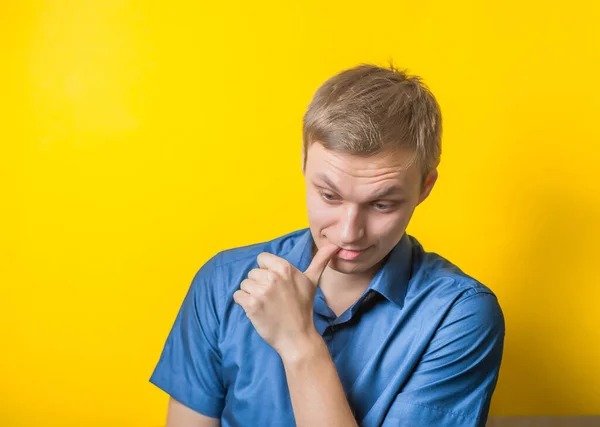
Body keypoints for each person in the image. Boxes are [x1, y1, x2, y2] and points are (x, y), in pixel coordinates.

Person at [149, 63, 505, 427]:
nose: (349, 232)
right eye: (329, 195)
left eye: (382, 204)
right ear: (303, 162)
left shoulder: (458, 316)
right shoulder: (222, 282)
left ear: (425, 188)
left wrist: (299, 342)